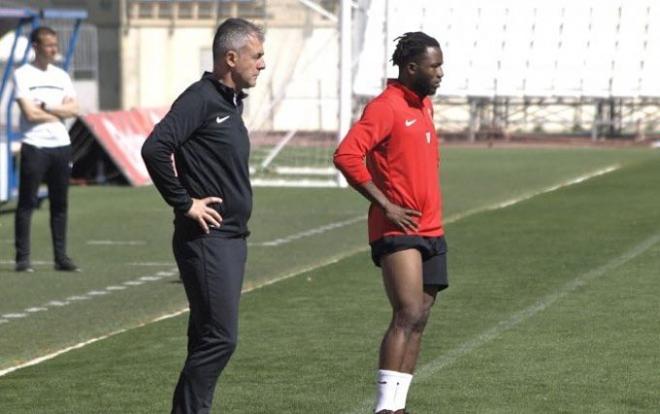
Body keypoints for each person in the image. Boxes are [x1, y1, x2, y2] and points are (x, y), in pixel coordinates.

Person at [141, 18, 265, 414]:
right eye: (257, 56)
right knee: (220, 339)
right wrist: (184, 202)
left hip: (232, 239)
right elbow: (155, 148)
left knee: (205, 339)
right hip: (207, 240)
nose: (262, 64)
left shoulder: (230, 103)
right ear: (231, 57)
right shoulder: (199, 99)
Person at [333, 32, 446, 414]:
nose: (440, 73)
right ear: (411, 68)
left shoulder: (424, 107)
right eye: (434, 66)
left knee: (421, 317)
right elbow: (347, 155)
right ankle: (383, 408)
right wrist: (386, 205)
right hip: (398, 230)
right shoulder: (385, 107)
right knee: (408, 312)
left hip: (432, 229)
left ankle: (397, 407)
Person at [13, 26, 80, 273]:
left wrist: (47, 108)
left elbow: (74, 109)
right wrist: (57, 111)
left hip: (61, 146)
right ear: (36, 47)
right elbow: (28, 113)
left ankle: (61, 257)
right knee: (26, 202)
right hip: (35, 145)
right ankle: (23, 258)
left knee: (60, 203)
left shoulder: (61, 76)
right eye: (49, 45)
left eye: (55, 44)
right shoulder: (22, 75)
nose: (54, 49)